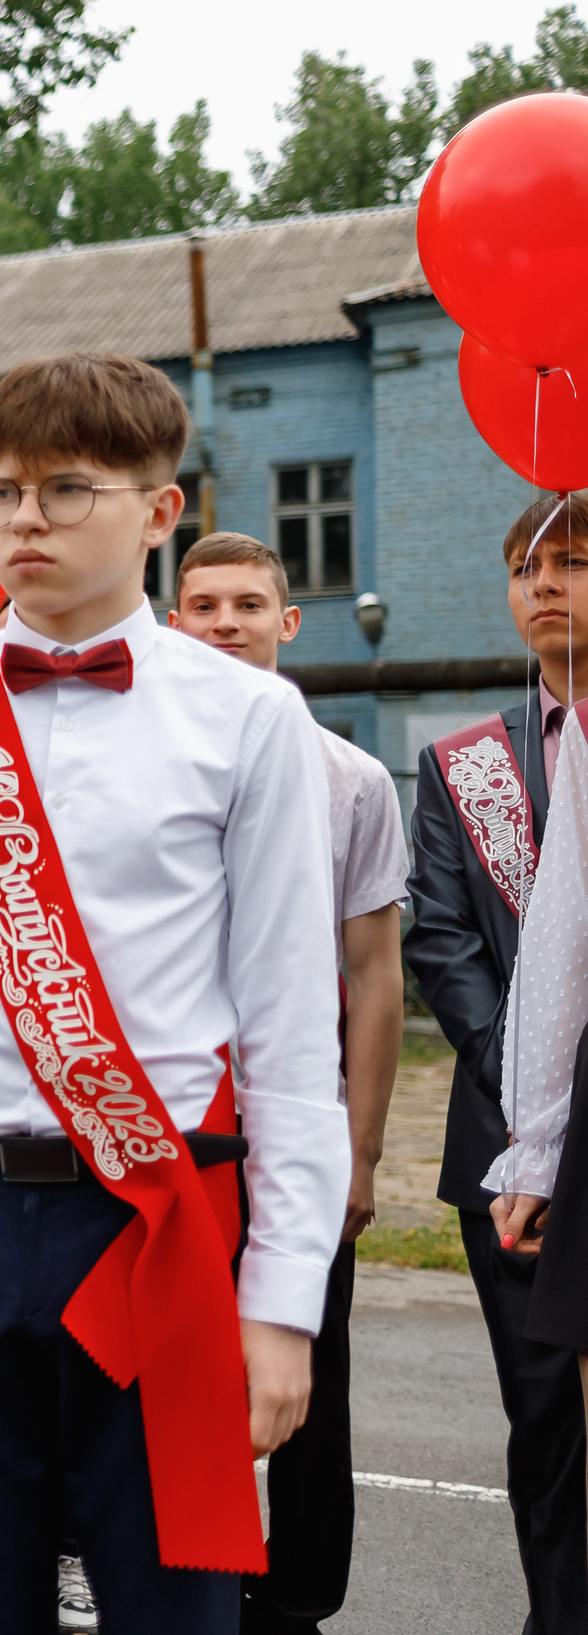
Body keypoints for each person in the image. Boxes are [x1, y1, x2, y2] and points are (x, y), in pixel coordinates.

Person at [0, 353, 347, 1635]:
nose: (24, 521)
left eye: (64, 490)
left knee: (173, 1604)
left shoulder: (249, 718)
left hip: (152, 1216)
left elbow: (285, 1029)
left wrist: (280, 1306)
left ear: (160, 511)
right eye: (1, 494)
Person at [166, 529, 408, 1635]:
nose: (224, 624)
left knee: (307, 1365)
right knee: (169, 1365)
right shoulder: (147, 763)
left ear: (286, 621)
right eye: (203, 605)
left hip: (291, 1121)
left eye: (246, 605)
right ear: (174, 621)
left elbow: (372, 973)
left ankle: (299, 1595)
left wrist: (355, 1153)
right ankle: (186, 1571)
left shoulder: (348, 780)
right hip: (171, 1120)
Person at [406, 490, 588, 1633]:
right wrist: (529, 1076)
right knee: (544, 1423)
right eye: (525, 565)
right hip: (503, 1140)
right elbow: (440, 938)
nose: (545, 585)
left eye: (572, 560)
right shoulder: (462, 762)